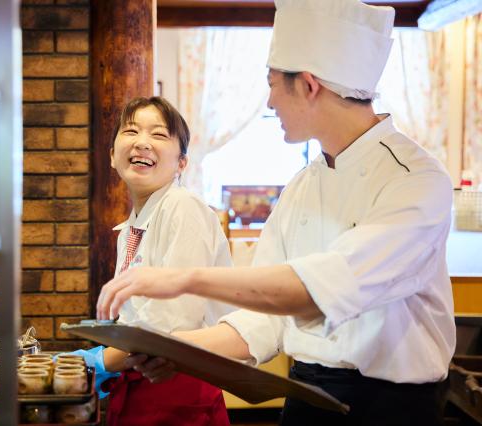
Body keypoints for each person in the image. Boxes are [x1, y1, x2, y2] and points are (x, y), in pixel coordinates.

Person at [96, 1, 456, 425]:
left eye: (272, 83)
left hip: (393, 408)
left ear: (308, 85)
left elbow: (322, 287)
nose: (268, 100)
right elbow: (262, 321)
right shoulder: (303, 185)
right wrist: (179, 353)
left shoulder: (415, 178)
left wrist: (183, 278)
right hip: (305, 395)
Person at [72, 96, 233, 426]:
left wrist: (99, 361)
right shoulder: (129, 229)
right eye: (130, 131)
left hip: (178, 387)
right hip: (138, 379)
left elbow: (173, 327)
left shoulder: (184, 208)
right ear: (112, 156)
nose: (142, 142)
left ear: (181, 163)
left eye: (159, 135)